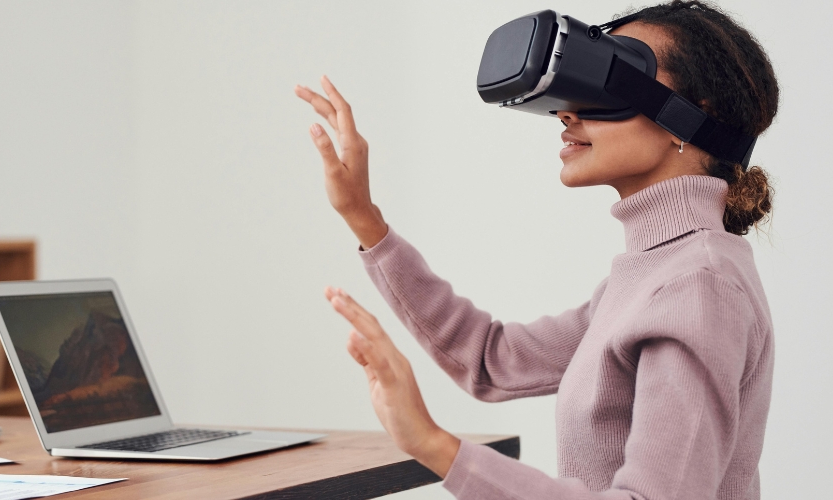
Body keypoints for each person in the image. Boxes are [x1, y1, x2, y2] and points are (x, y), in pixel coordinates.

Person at [295, 1, 777, 498]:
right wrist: (364, 217)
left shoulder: (699, 286)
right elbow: (492, 360)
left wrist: (432, 444)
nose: (565, 111)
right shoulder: (654, 274)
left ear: (694, 114)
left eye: (612, 79)